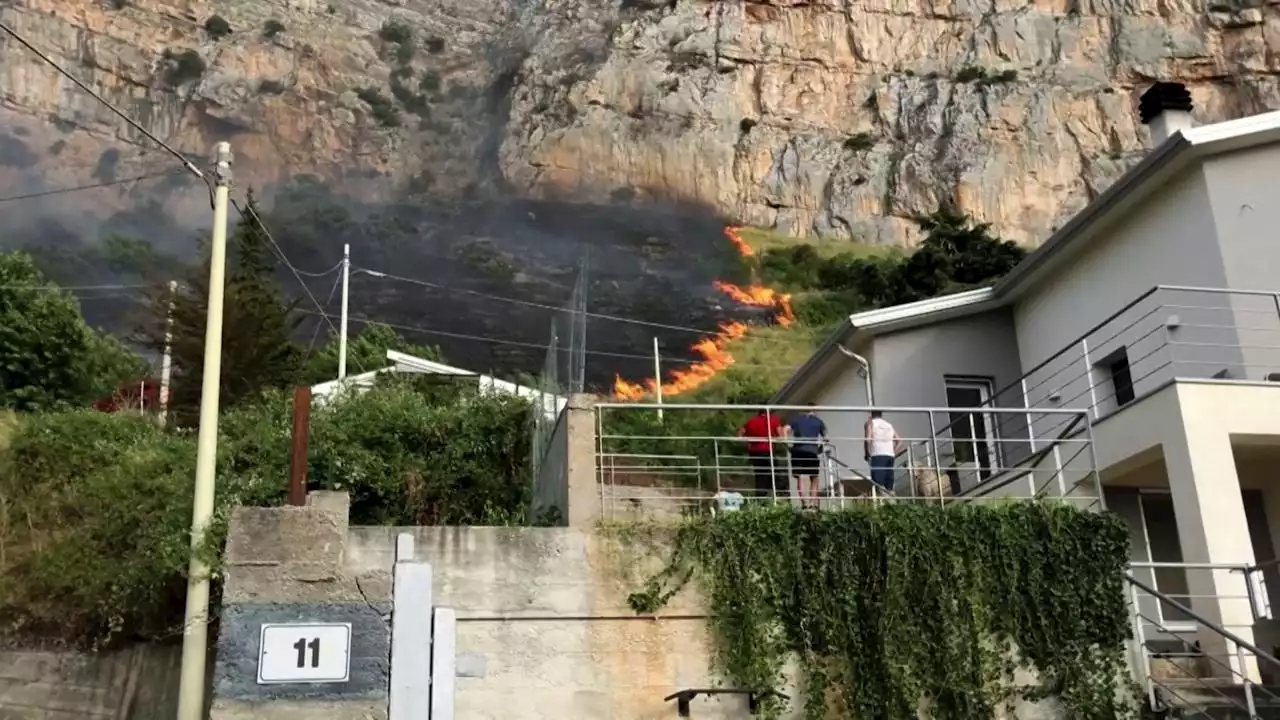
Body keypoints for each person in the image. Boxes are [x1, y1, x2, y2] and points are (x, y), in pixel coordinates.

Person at [787, 404, 828, 508]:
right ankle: (813, 503)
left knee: (800, 477)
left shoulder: (796, 420)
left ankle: (805, 503)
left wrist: (787, 445)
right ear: (814, 410)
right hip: (812, 452)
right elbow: (826, 438)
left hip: (797, 451)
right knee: (814, 478)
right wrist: (820, 449)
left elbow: (784, 429)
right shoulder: (818, 421)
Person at [738, 409, 784, 499]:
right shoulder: (773, 420)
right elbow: (781, 436)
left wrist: (747, 442)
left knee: (759, 474)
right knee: (773, 472)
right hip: (767, 450)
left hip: (754, 452)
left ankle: (760, 496)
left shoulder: (751, 421)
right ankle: (772, 493)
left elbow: (740, 433)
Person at [864, 411, 901, 494]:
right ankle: (891, 500)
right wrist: (893, 452)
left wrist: (867, 454)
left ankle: (883, 502)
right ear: (881, 415)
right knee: (889, 483)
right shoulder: (889, 425)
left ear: (872, 415)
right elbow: (899, 441)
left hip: (877, 454)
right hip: (890, 456)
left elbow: (867, 440)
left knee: (878, 483)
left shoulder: (871, 423)